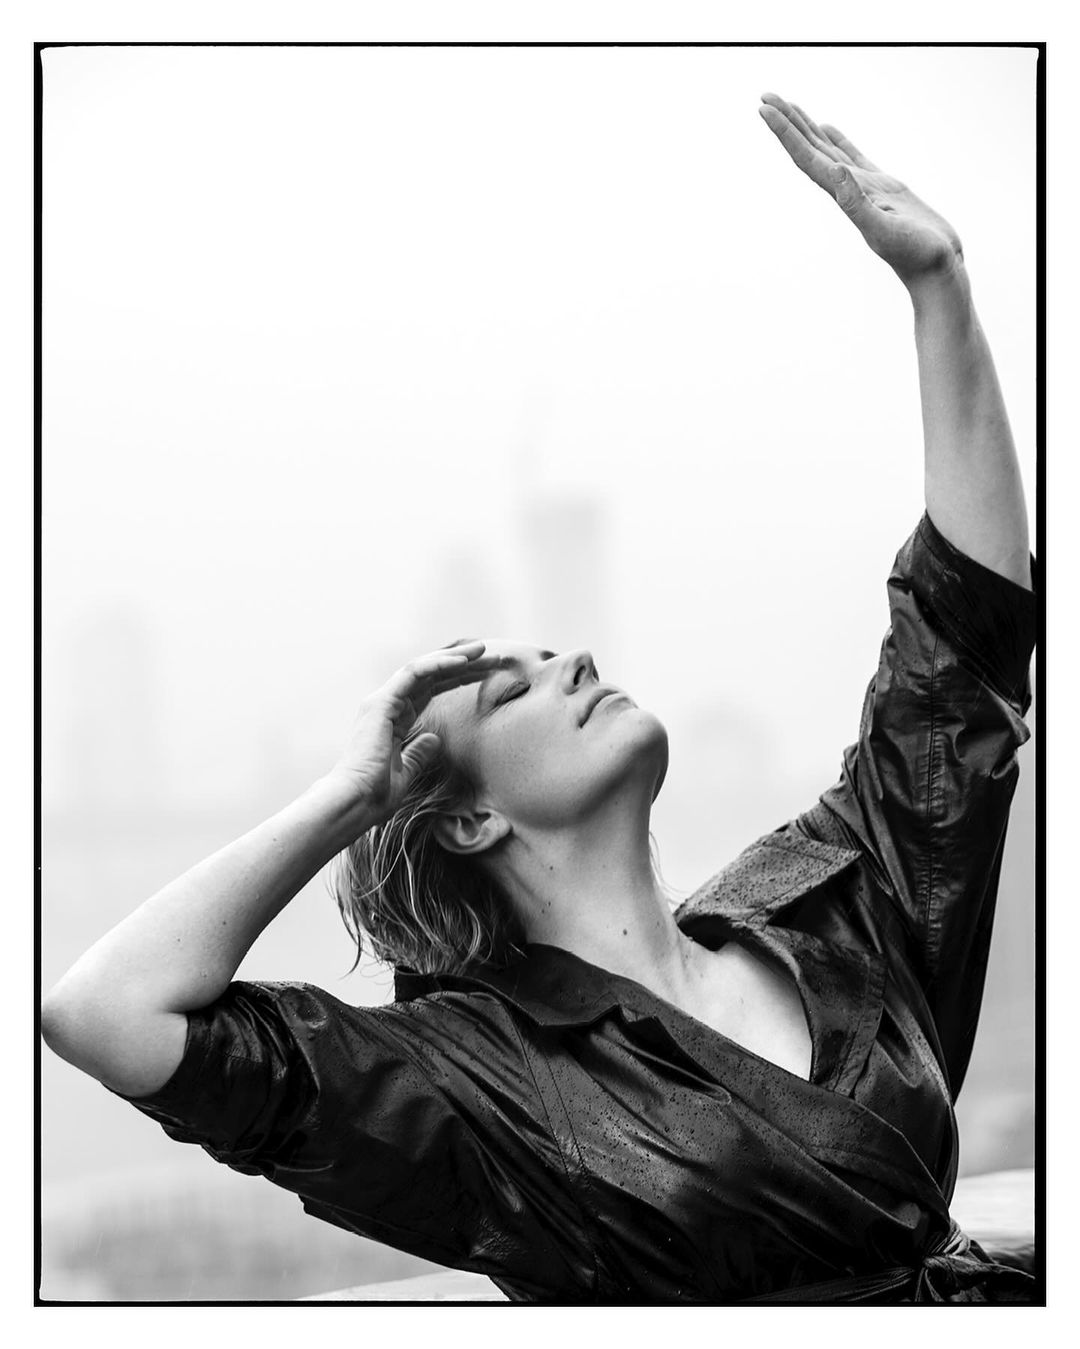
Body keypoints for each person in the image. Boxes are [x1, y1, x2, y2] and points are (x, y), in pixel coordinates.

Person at [41, 93, 1037, 1303]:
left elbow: (961, 652)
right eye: (510, 689)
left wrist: (939, 286)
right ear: (467, 817)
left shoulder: (829, 899)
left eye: (551, 650)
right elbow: (106, 1013)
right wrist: (348, 796)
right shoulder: (471, 1078)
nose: (567, 659)